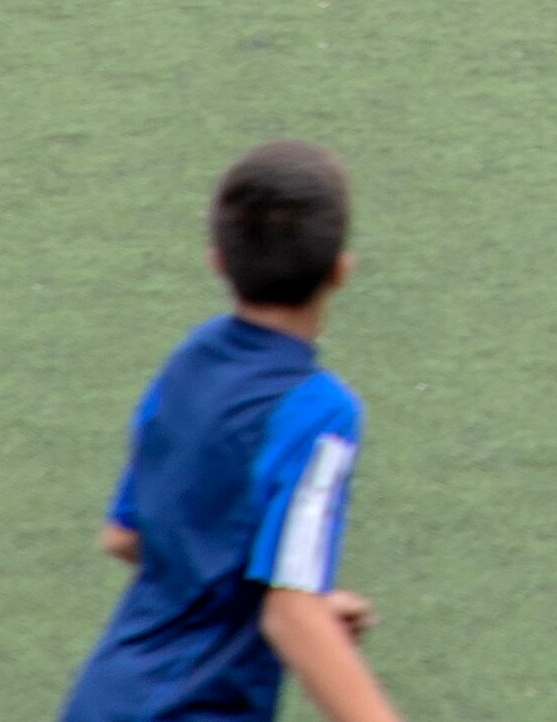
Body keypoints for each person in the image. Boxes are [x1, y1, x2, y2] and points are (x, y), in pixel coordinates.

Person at [63, 141, 404, 722]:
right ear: (340, 270)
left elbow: (126, 535)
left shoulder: (189, 363)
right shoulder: (319, 411)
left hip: (103, 699)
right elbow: (290, 616)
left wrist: (303, 606)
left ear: (217, 260)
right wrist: (307, 610)